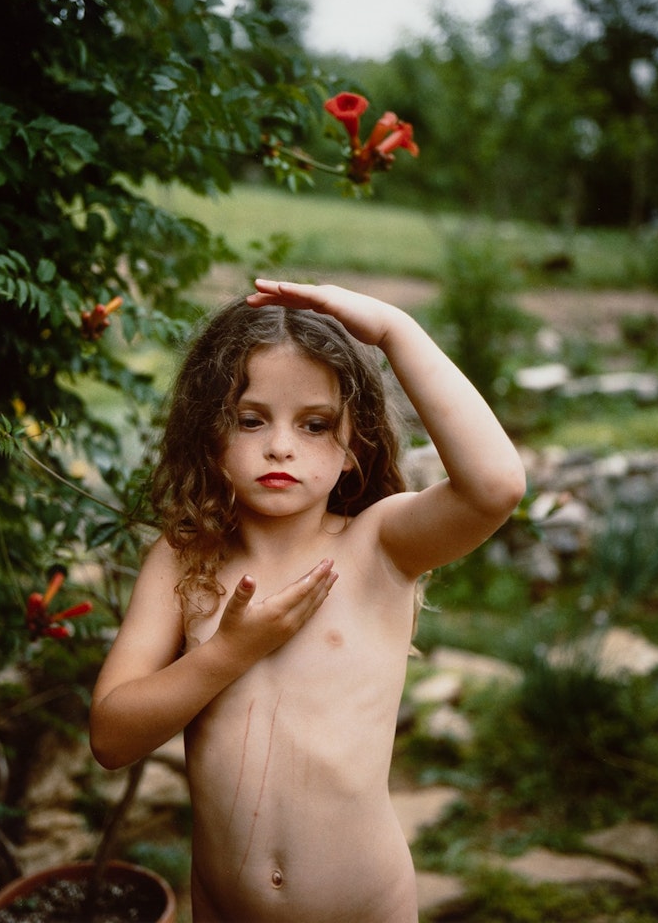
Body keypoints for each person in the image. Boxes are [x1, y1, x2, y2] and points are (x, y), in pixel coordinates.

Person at [90, 280, 526, 922]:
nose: (281, 446)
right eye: (250, 419)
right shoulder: (184, 561)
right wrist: (226, 654)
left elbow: (495, 487)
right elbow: (110, 736)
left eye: (315, 424)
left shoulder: (378, 546)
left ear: (353, 449)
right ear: (209, 434)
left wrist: (395, 331)